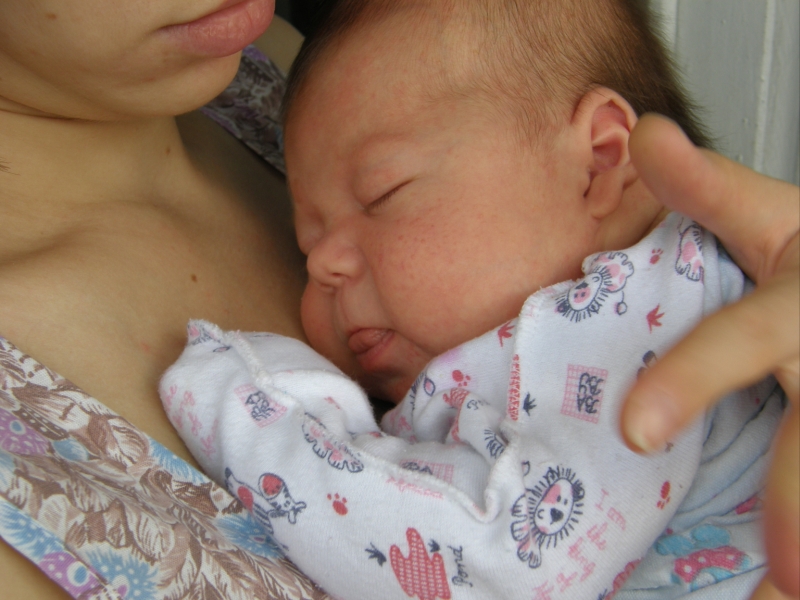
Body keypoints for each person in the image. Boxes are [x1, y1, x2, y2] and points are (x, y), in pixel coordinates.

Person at [0, 0, 796, 599]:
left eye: (383, 195)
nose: (325, 267)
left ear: (598, 162)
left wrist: (262, 414)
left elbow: (503, 560)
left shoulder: (628, 319)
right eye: (305, 246)